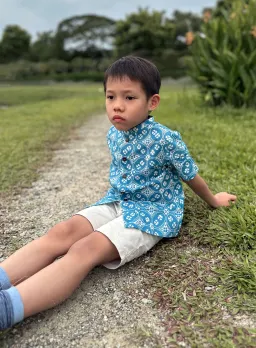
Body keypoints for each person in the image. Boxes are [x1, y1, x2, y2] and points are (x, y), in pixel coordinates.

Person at [0, 56, 237, 330]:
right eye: (110, 96)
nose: (117, 106)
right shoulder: (114, 134)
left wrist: (213, 200)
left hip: (152, 211)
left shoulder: (165, 139)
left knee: (84, 249)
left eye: (129, 97)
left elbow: (190, 175)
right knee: (62, 232)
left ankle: (8, 308)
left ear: (152, 102)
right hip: (117, 201)